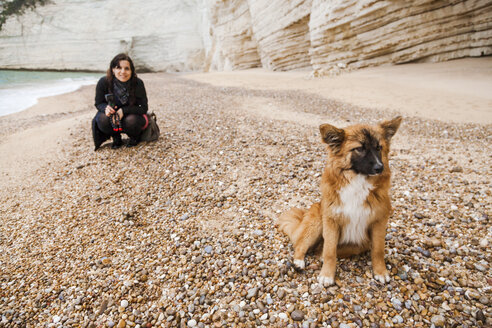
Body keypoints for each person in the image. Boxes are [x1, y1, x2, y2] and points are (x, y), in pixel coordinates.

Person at [92, 53, 148, 150]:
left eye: (127, 68)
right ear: (113, 69)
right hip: (112, 115)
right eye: (119, 68)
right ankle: (116, 137)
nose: (123, 72)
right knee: (102, 119)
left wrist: (123, 111)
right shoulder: (103, 82)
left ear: (131, 71)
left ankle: (135, 137)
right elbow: (98, 103)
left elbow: (144, 108)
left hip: (131, 115)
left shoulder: (138, 83)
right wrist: (105, 108)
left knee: (131, 121)